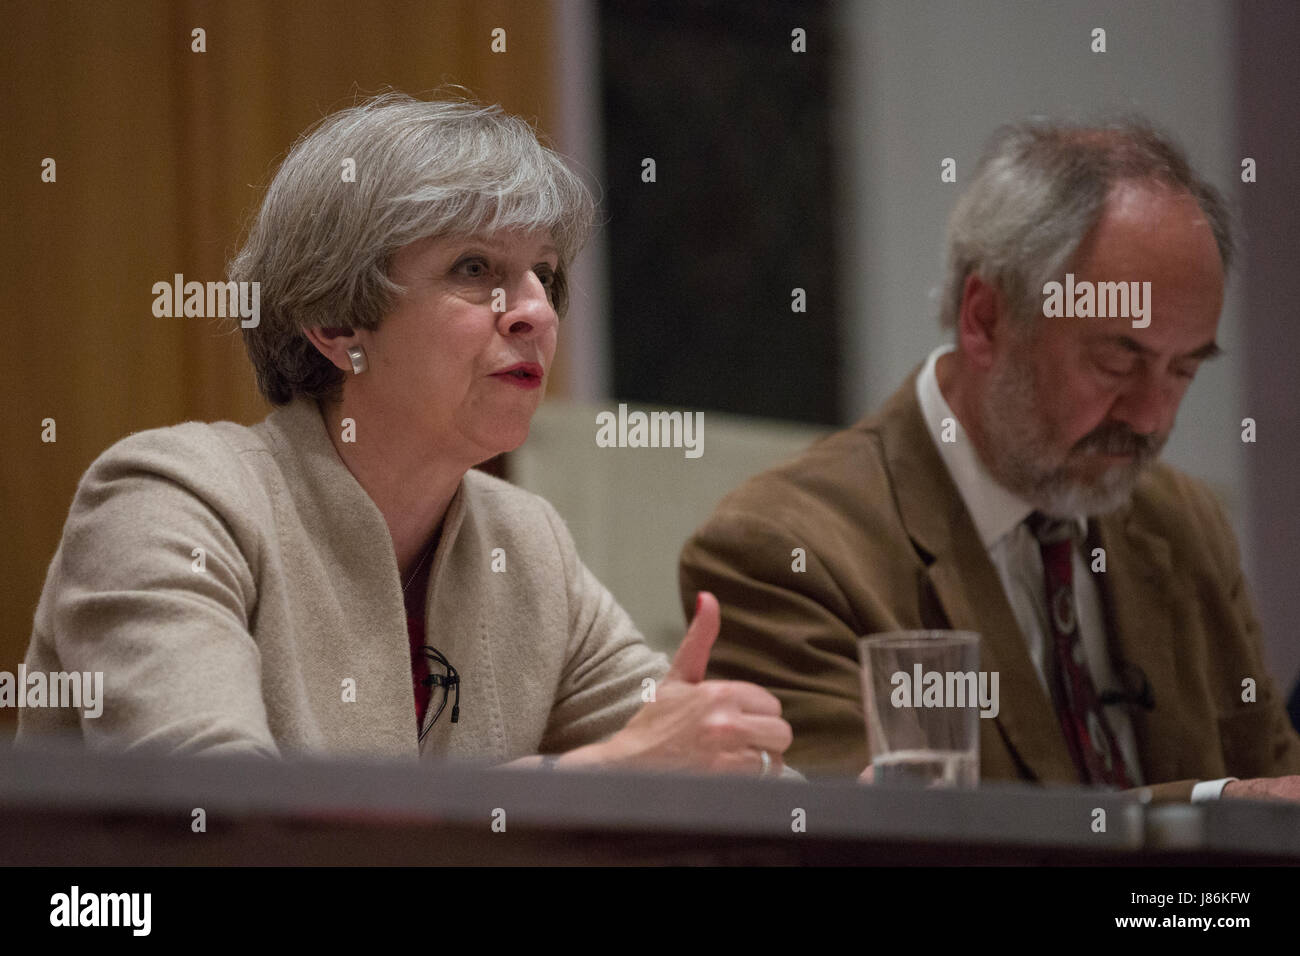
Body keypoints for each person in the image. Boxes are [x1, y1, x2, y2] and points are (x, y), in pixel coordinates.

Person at [19, 92, 792, 778]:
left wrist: (770, 784)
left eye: (544, 276)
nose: (537, 313)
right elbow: (221, 831)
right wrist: (605, 773)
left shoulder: (527, 546)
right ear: (334, 323)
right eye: (474, 268)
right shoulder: (168, 501)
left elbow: (693, 776)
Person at [679, 117, 1300, 803]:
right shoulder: (786, 554)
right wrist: (1215, 808)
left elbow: (1279, 790)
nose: (1154, 417)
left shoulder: (1184, 523)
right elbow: (895, 851)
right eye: (1117, 357)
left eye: (1184, 369)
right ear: (985, 319)